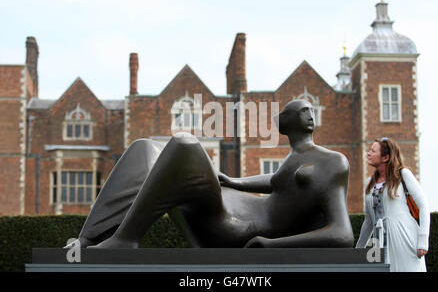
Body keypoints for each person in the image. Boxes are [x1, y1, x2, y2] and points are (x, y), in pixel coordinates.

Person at [72, 99, 354, 249]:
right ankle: (88, 238)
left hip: (239, 225)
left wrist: (272, 244)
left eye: (309, 109)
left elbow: (342, 234)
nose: (308, 112)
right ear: (287, 123)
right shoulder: (294, 159)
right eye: (300, 110)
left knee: (184, 144)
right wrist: (235, 181)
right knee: (144, 147)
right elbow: (276, 182)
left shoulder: (333, 162)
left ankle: (126, 239)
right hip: (232, 204)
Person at [355, 137, 430, 272]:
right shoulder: (369, 184)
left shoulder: (403, 175)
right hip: (379, 244)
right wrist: (358, 249)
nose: (368, 153)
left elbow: (423, 205)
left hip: (405, 239)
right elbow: (368, 221)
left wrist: (423, 241)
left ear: (385, 157)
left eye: (373, 151)